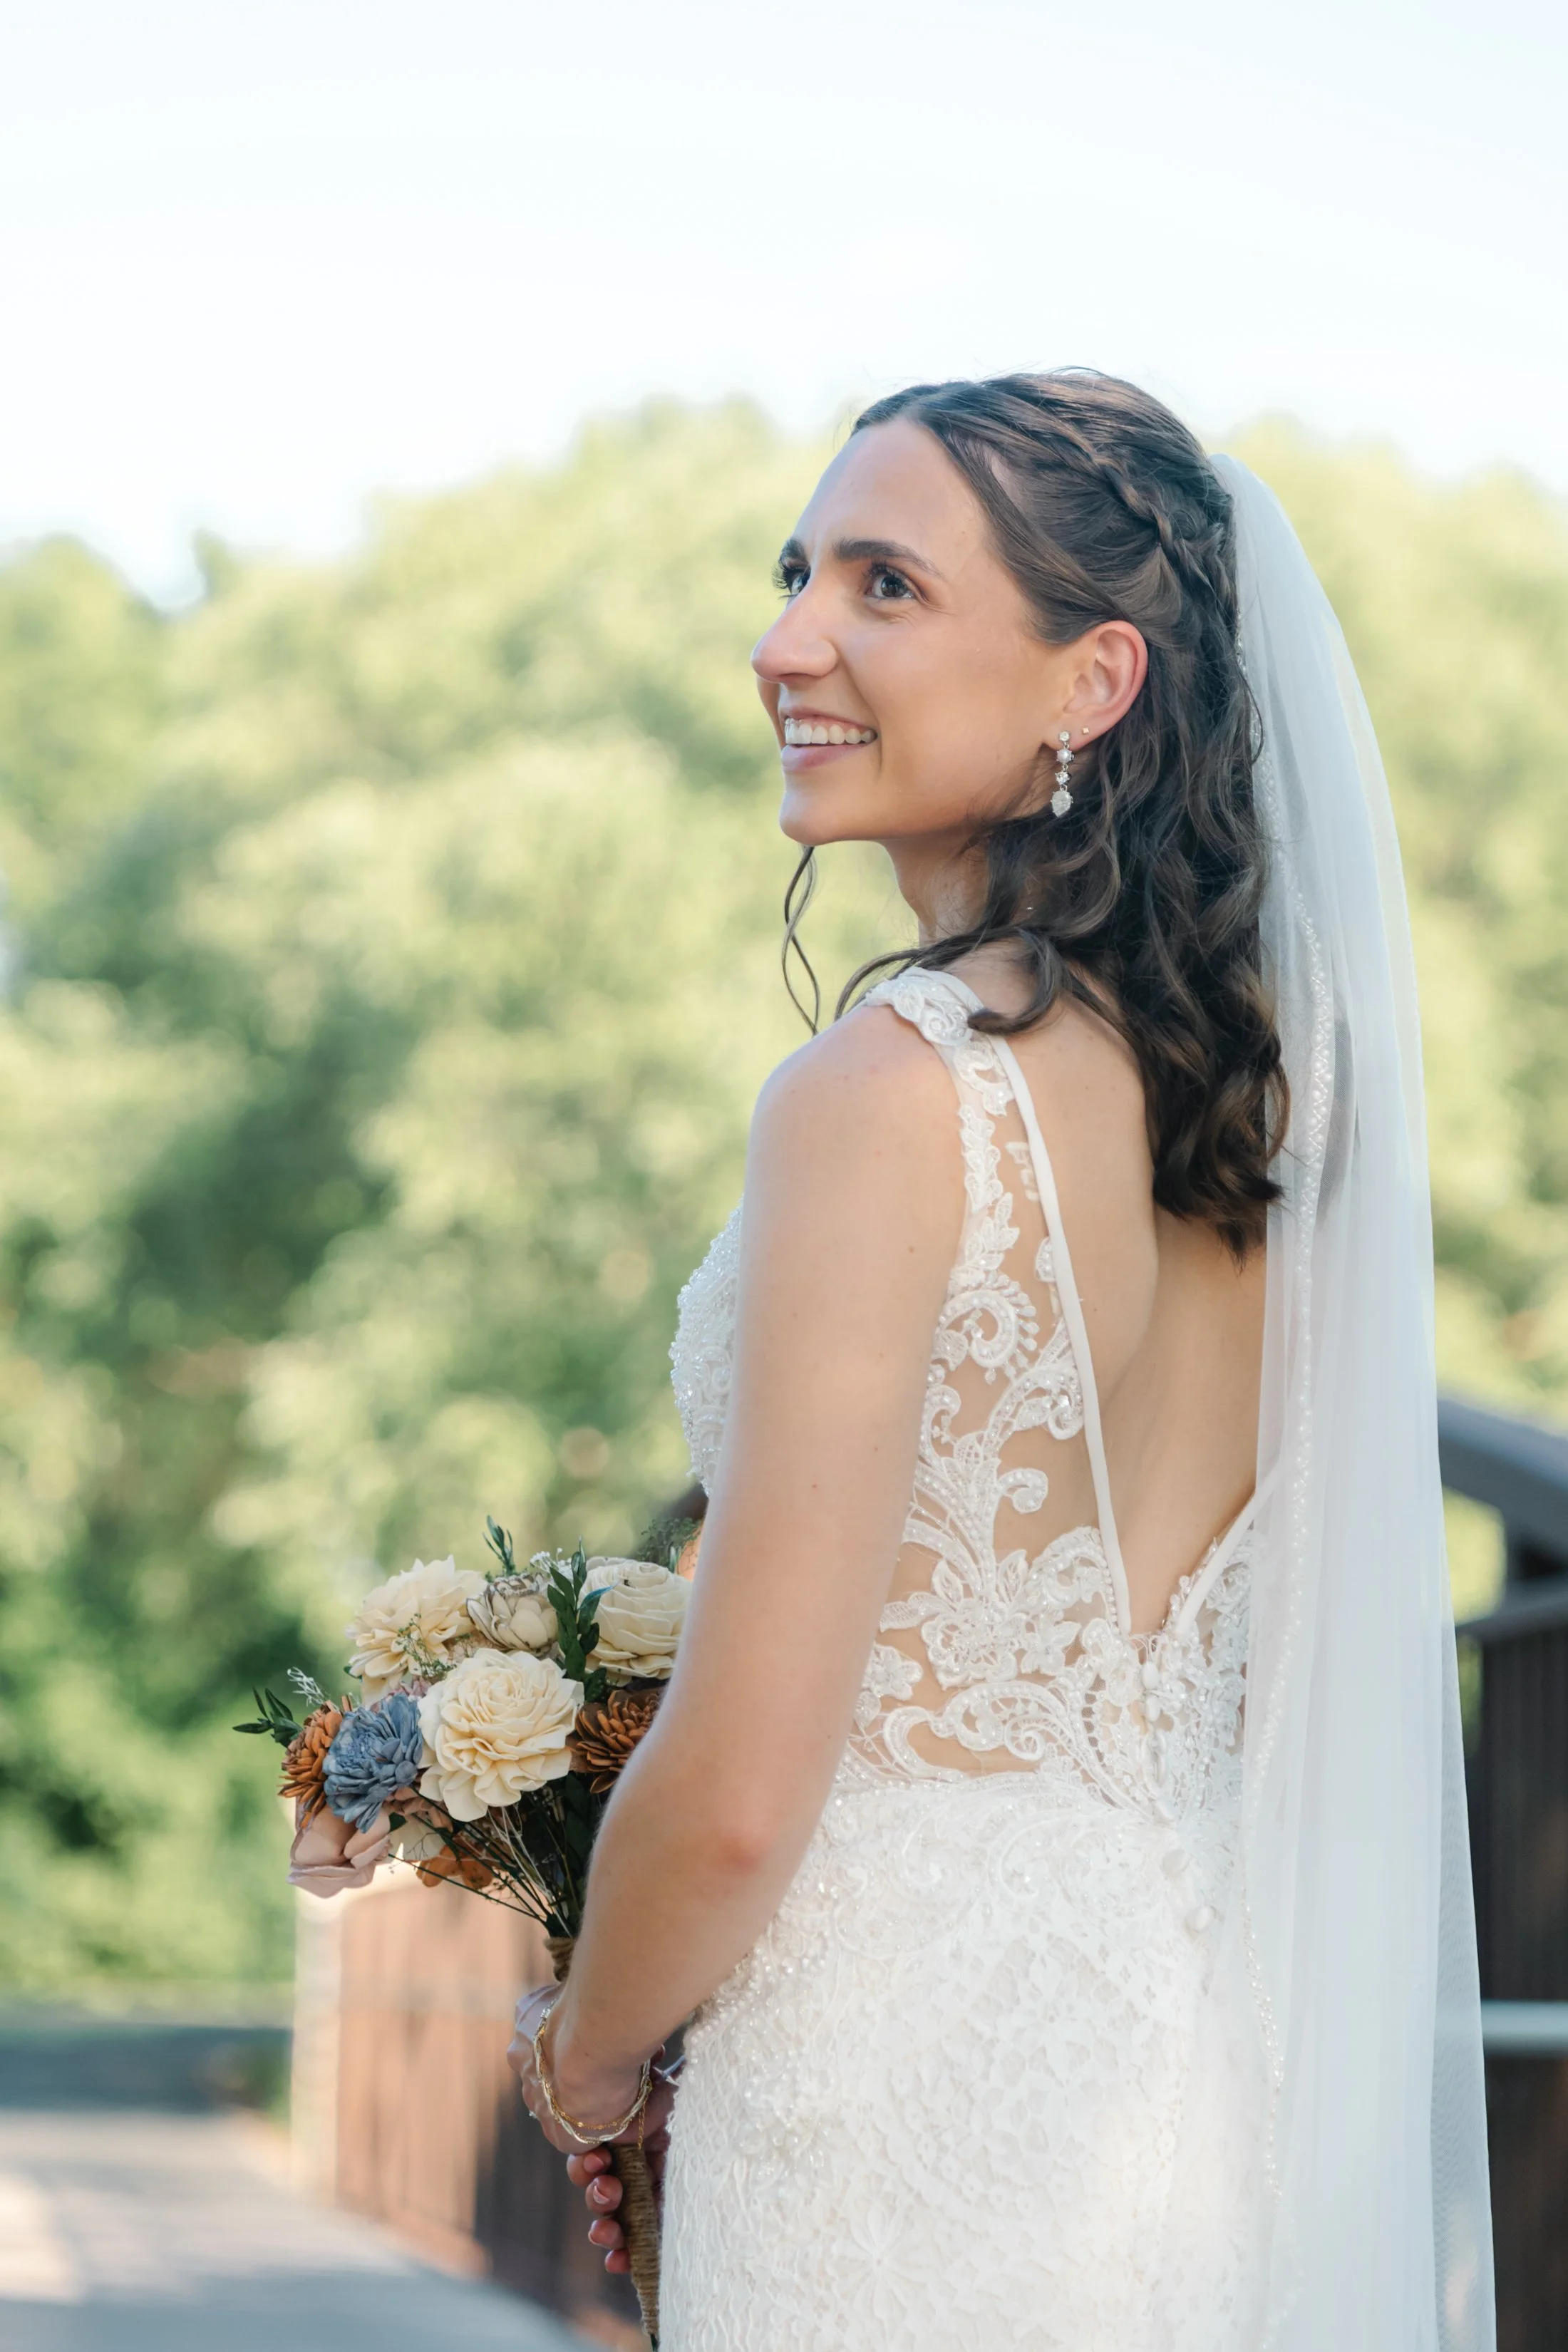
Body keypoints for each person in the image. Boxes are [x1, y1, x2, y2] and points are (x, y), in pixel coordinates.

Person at [508, 372, 1494, 2349]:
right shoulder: (1275, 1120)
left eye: (885, 585)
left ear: (1090, 680)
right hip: (1191, 2100)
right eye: (801, 574)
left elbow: (739, 1787)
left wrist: (584, 2058)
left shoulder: (888, 1102)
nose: (789, 638)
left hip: (895, 2123)